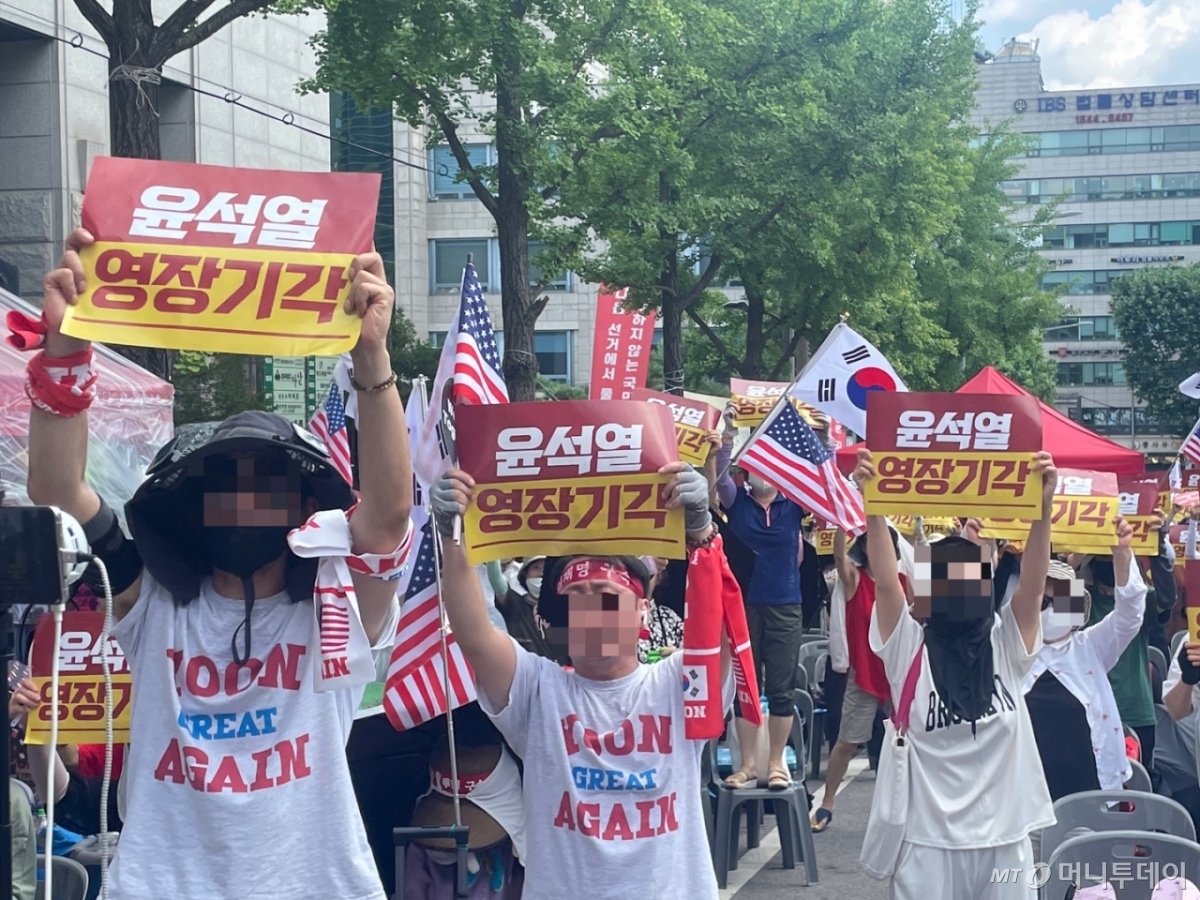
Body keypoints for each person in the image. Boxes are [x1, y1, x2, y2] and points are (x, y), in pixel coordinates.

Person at [24, 228, 413, 900]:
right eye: (224, 490)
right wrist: (65, 350)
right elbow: (58, 490)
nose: (244, 506)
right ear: (190, 512)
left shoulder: (334, 605)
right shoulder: (153, 602)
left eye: (265, 490)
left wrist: (372, 361)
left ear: (302, 507)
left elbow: (387, 518)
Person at [429, 463, 736, 900]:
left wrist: (703, 534)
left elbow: (727, 632)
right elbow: (474, 635)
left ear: (643, 613)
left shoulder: (678, 683)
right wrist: (453, 537)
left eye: (609, 599)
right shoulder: (538, 691)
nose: (594, 614)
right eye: (578, 600)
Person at [855, 447, 1057, 900]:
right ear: (926, 593)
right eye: (946, 577)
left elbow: (1033, 586)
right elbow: (887, 582)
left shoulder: (1004, 643)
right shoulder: (908, 648)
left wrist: (1042, 514)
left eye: (971, 575)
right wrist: (873, 505)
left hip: (1006, 846)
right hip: (927, 848)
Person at [1023, 520, 1146, 800]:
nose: (1051, 609)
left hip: (1093, 796)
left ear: (1077, 607)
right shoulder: (1010, 650)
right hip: (1027, 802)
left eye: (1061, 600)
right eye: (1043, 601)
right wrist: (975, 548)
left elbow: (1130, 615)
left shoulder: (1091, 646)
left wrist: (1123, 554)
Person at [715, 419, 806, 790]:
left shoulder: (795, 505)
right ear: (746, 470)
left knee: (781, 688)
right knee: (746, 687)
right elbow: (718, 478)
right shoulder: (738, 501)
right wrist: (726, 440)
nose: (761, 475)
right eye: (753, 468)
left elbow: (824, 479)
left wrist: (821, 440)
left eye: (768, 468)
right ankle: (748, 764)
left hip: (785, 603)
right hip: (743, 605)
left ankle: (776, 763)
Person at [811, 526, 904, 832]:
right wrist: (842, 523)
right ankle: (827, 802)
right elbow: (839, 556)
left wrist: (919, 538)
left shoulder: (905, 581)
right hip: (863, 674)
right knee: (847, 742)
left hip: (900, 676)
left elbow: (929, 598)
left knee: (911, 744)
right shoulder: (854, 580)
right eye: (872, 544)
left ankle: (914, 807)